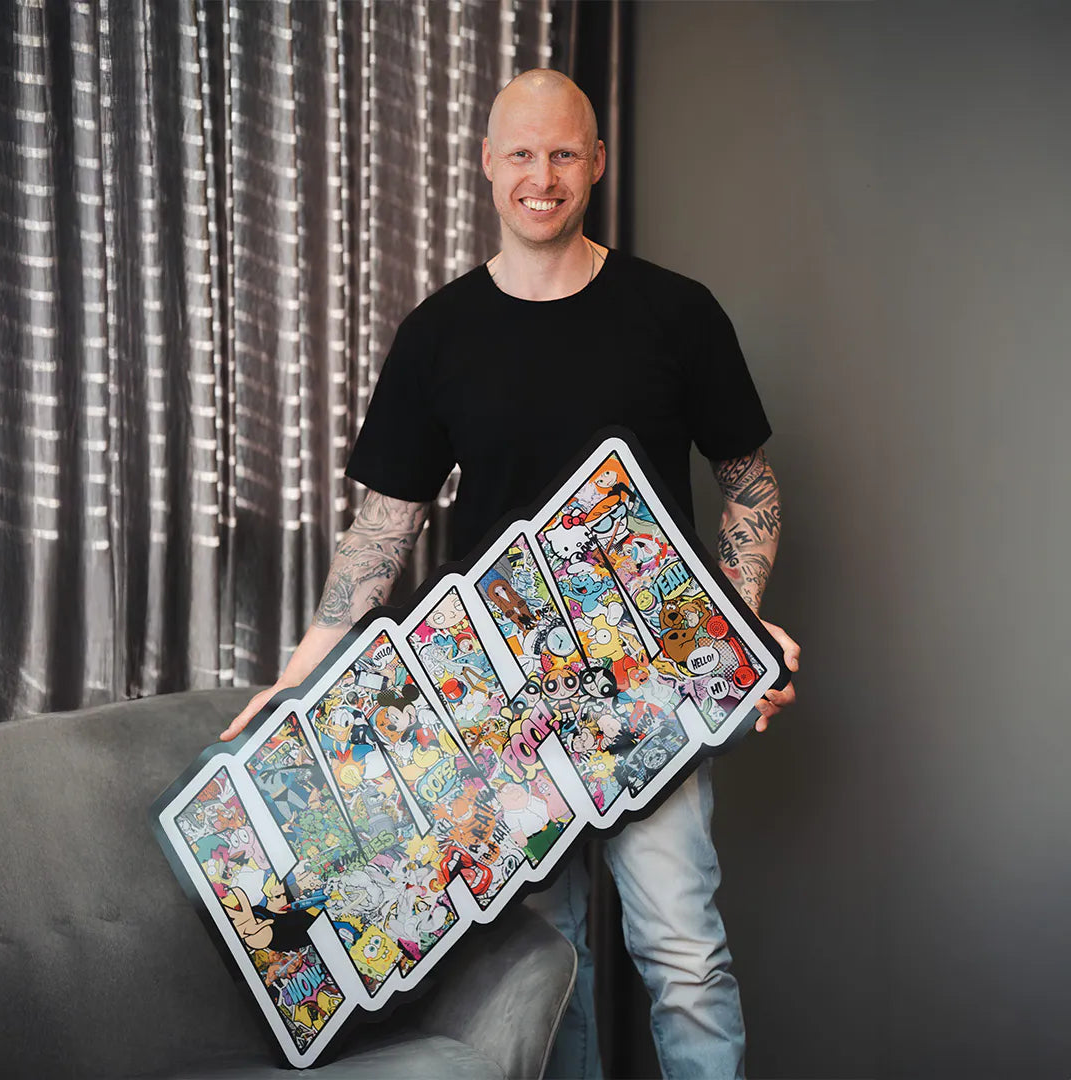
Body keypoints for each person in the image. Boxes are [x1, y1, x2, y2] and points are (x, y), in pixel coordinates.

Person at [221, 68, 800, 1080]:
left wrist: (736, 632)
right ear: (488, 165)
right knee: (550, 967)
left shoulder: (677, 312)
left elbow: (749, 484)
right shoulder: (438, 333)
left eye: (564, 152)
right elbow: (384, 527)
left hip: (652, 686)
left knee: (685, 956)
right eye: (522, 154)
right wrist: (301, 671)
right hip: (496, 705)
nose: (544, 175)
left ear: (596, 163)